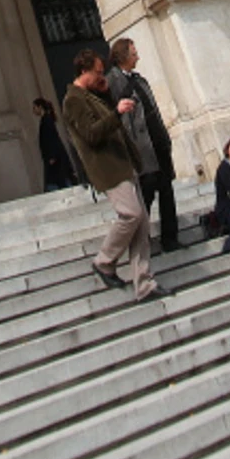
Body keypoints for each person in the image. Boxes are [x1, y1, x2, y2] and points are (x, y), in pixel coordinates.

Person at [60, 50, 161, 299]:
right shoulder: (73, 100)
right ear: (83, 71)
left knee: (141, 224)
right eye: (97, 72)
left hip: (123, 164)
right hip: (108, 169)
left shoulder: (92, 95)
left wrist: (106, 95)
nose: (101, 76)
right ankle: (104, 261)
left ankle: (144, 284)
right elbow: (92, 134)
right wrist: (116, 113)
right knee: (131, 214)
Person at [107, 37, 181, 253]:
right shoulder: (112, 82)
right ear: (122, 56)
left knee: (166, 191)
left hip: (157, 143)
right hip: (140, 148)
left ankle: (170, 238)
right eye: (133, 53)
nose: (137, 56)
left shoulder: (140, 79)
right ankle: (142, 241)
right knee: (145, 193)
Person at [32, 96, 77, 190]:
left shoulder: (46, 121)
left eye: (34, 107)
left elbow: (52, 138)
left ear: (40, 107)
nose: (34, 110)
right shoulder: (46, 120)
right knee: (59, 181)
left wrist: (52, 156)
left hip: (54, 159)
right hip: (54, 158)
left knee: (58, 182)